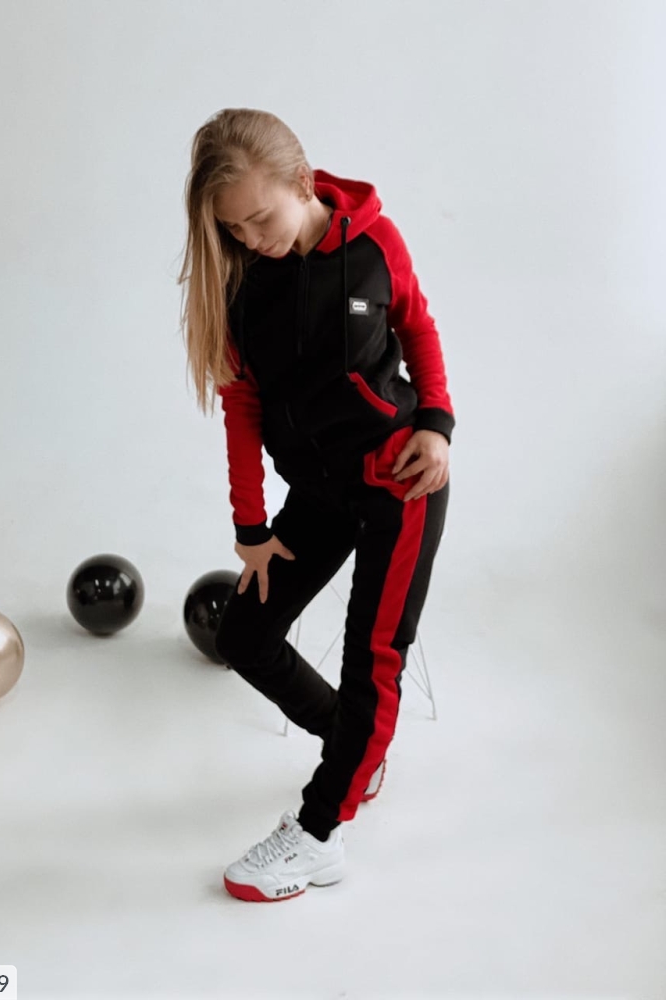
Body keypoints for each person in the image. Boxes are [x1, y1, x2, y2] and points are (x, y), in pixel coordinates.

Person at [179, 108, 454, 903]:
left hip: (399, 480)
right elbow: (241, 408)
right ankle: (354, 749)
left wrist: (436, 424)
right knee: (244, 634)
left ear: (302, 185)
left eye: (259, 218)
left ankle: (318, 834)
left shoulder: (374, 244)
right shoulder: (241, 283)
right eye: (231, 228)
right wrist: (250, 526)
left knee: (373, 657)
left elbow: (418, 325)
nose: (250, 238)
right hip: (320, 493)